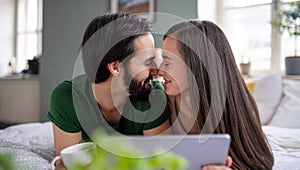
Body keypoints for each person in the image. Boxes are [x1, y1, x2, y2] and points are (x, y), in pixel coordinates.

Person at [48, 13, 171, 169]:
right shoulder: (67, 98)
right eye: (148, 62)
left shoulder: (153, 95)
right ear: (115, 67)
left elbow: (160, 162)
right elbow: (68, 165)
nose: (156, 70)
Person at [158, 20, 274, 169]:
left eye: (167, 62)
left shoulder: (234, 105)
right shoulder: (160, 101)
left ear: (196, 63)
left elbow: (261, 163)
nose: (160, 70)